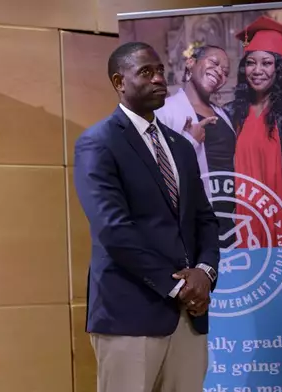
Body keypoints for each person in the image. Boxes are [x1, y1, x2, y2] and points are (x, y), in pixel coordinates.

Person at [73, 41, 220, 392]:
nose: (158, 79)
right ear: (119, 82)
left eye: (160, 72)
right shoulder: (98, 142)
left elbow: (205, 220)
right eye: (145, 72)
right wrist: (178, 286)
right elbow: (113, 229)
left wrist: (204, 273)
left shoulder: (181, 145)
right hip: (129, 315)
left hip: (189, 317)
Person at [225, 15, 282, 249]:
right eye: (251, 62)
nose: (257, 70)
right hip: (243, 217)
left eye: (266, 63)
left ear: (279, 67)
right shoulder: (232, 112)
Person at [156, 42, 236, 247]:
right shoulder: (164, 111)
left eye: (225, 72)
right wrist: (189, 142)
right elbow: (155, 172)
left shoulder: (223, 115)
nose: (220, 72)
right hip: (194, 220)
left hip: (230, 219)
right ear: (191, 63)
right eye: (214, 63)